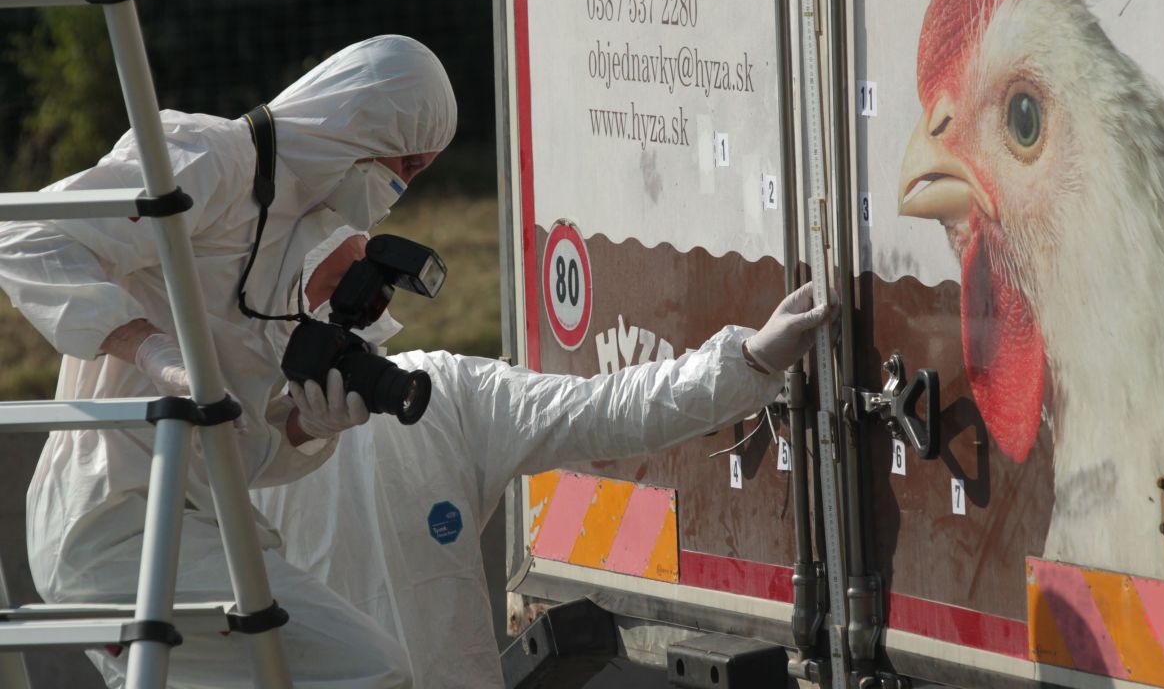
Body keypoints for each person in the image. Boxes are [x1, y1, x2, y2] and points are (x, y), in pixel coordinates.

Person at [0, 35, 456, 687]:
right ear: (363, 121)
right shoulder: (212, 157)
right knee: (371, 671)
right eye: (405, 164)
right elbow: (27, 238)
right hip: (110, 525)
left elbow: (237, 452)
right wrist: (146, 346)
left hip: (200, 529)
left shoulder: (292, 236)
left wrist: (306, 426)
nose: (402, 187)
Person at [251, 226, 831, 689]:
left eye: (367, 279)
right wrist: (289, 434)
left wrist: (747, 362)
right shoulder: (231, 449)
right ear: (275, 309)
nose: (360, 302)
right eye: (337, 285)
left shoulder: (440, 392)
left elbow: (598, 412)